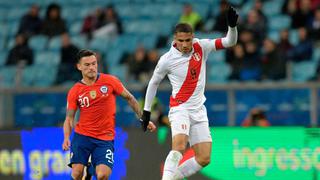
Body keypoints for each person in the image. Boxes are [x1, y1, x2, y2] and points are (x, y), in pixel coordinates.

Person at [140, 6, 238, 180]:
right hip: (180, 109)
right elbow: (153, 83)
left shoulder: (202, 46)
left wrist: (232, 26)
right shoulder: (166, 60)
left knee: (204, 158)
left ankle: (173, 177)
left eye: (188, 40)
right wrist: (146, 112)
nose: (185, 45)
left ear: (192, 37)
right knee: (179, 146)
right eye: (181, 41)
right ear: (175, 40)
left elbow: (230, 42)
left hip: (199, 110)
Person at [62, 49, 156, 180]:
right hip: (82, 136)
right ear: (79, 67)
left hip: (104, 138)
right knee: (77, 173)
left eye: (94, 63)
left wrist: (143, 118)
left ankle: (90, 170)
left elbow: (130, 98)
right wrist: (66, 137)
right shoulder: (75, 91)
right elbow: (69, 118)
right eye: (87, 65)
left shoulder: (110, 81)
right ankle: (88, 171)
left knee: (103, 175)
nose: (92, 68)